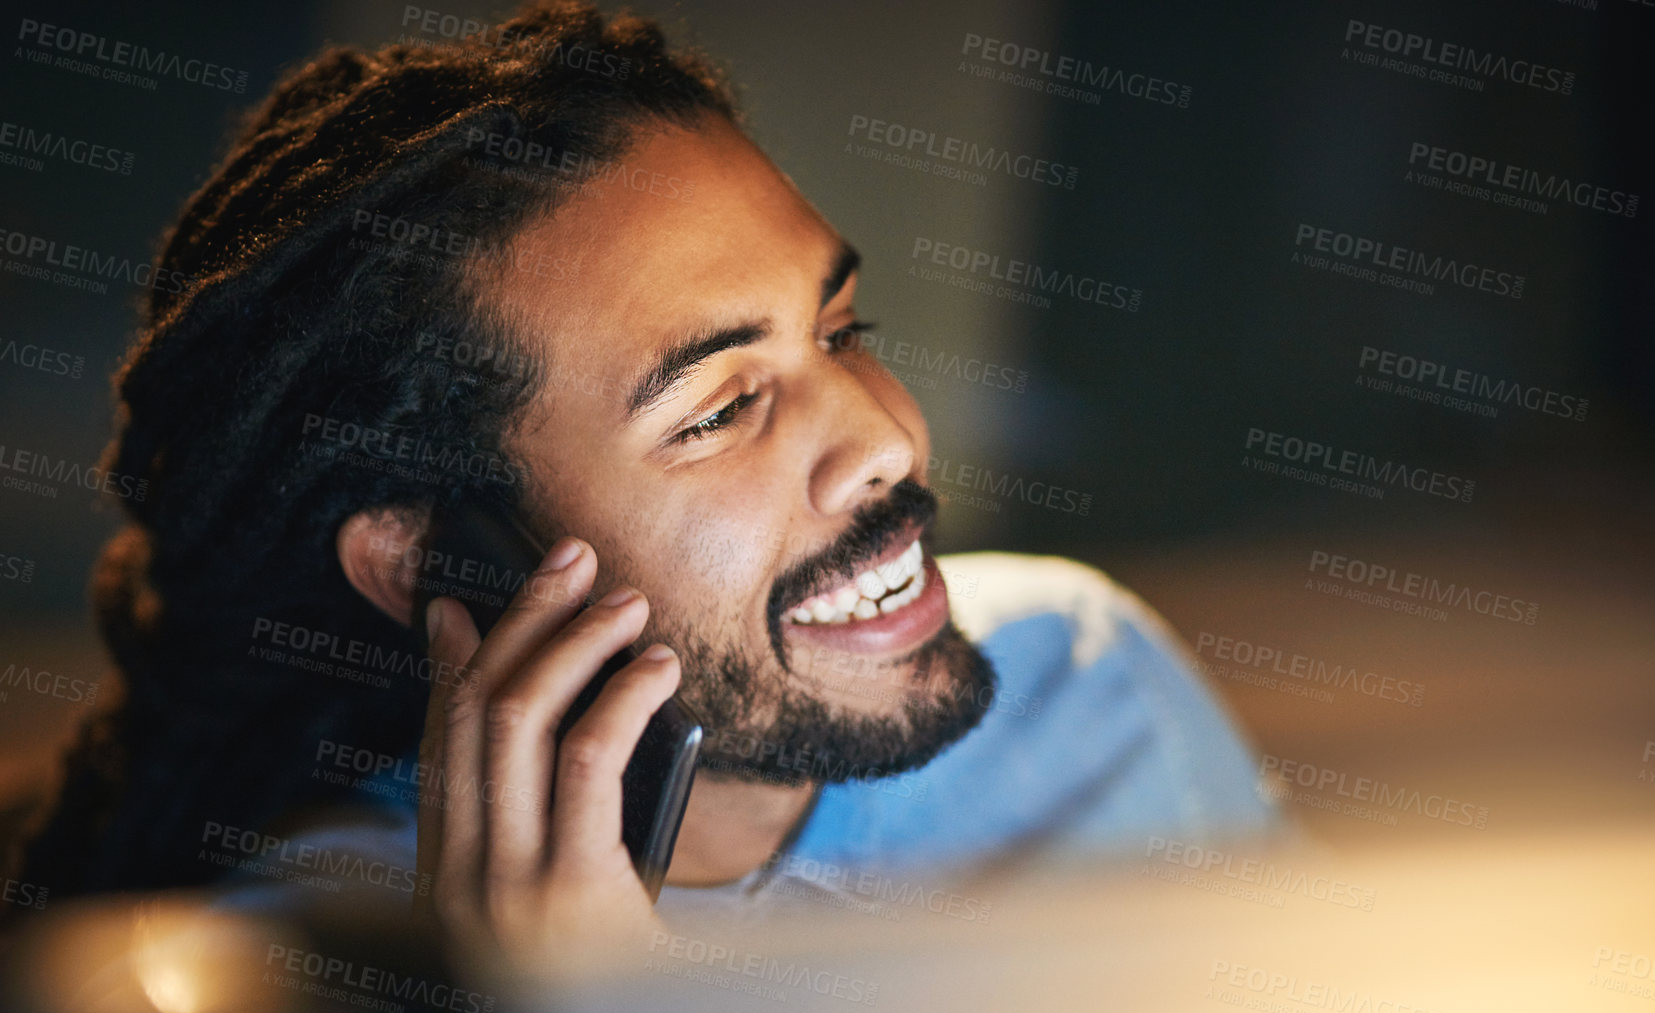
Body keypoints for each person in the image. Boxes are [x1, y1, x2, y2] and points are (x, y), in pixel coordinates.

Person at [20, 1, 1277, 963]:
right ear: (426, 554)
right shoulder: (297, 981)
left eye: (842, 329)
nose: (885, 439)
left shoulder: (1088, 679)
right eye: (721, 409)